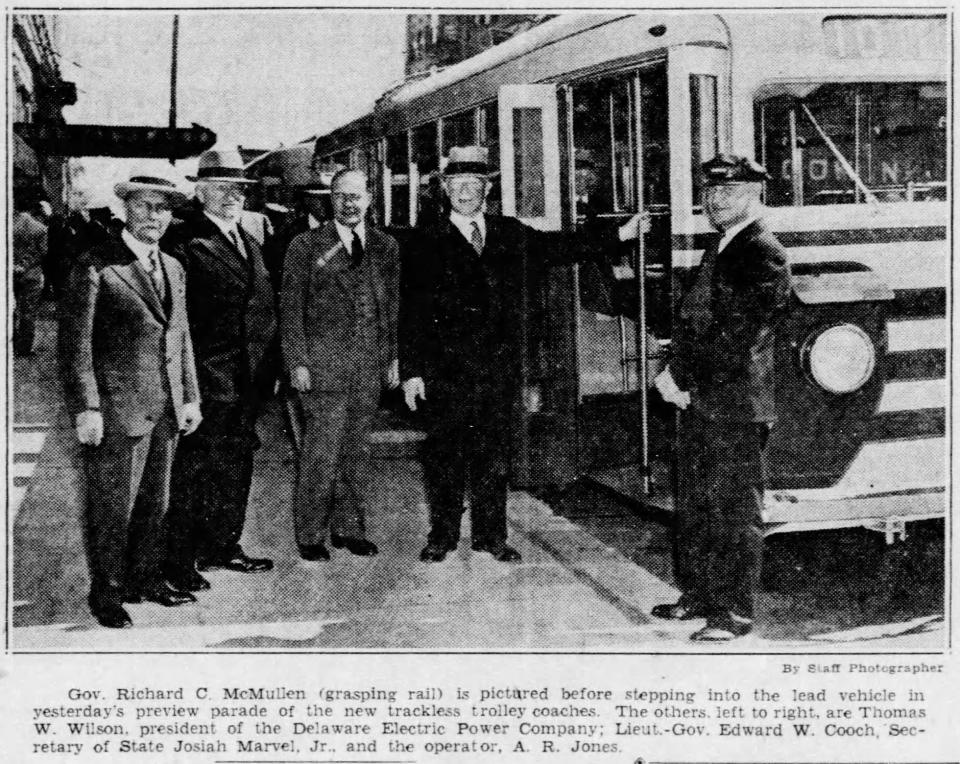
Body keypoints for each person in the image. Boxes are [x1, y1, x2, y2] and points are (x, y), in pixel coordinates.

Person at [400, 146, 647, 563]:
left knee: (494, 455)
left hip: (500, 369)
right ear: (444, 190)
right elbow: (412, 312)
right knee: (445, 455)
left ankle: (491, 536)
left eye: (473, 184)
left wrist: (619, 235)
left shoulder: (510, 233)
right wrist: (412, 371)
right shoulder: (424, 241)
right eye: (456, 184)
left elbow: (559, 247)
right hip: (447, 372)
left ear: (487, 188)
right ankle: (442, 535)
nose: (464, 191)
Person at [651, 154, 791, 642]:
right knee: (696, 504)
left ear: (755, 195)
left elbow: (737, 336)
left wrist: (683, 377)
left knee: (733, 510)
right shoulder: (725, 245)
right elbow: (696, 321)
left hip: (732, 404)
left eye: (729, 192)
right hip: (703, 399)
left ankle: (734, 613)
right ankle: (700, 595)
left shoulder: (761, 252)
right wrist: (673, 371)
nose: (716, 200)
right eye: (711, 192)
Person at [59, 162, 202, 628]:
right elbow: (76, 343)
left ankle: (145, 579)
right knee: (112, 507)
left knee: (155, 504)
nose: (154, 217)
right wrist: (88, 407)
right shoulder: (96, 264)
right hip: (118, 410)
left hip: (164, 407)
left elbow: (179, 337)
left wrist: (190, 398)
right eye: (145, 207)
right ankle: (107, 593)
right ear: (125, 209)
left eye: (163, 210)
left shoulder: (175, 267)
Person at [163, 149, 278, 591]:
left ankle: (223, 545)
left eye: (239, 189)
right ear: (201, 191)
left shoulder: (248, 239)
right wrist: (188, 385)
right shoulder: (187, 242)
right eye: (221, 188)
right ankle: (180, 560)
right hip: (209, 375)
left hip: (249, 377)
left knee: (237, 460)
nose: (232, 196)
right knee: (195, 467)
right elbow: (178, 320)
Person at [280, 168, 400, 561]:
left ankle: (350, 529)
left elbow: (393, 308)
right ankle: (311, 534)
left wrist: (394, 357)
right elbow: (291, 310)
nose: (350, 203)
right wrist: (297, 361)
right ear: (331, 200)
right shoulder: (306, 245)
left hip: (369, 367)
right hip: (323, 368)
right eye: (341, 196)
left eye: (357, 196)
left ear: (370, 199)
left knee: (355, 451)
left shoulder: (385, 247)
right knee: (320, 452)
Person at [13, 186, 48, 356]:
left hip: (9, 274)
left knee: (10, 310)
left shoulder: (9, 226)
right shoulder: (40, 228)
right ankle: (24, 348)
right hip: (32, 276)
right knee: (28, 313)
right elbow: (43, 252)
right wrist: (25, 265)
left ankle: (10, 344)